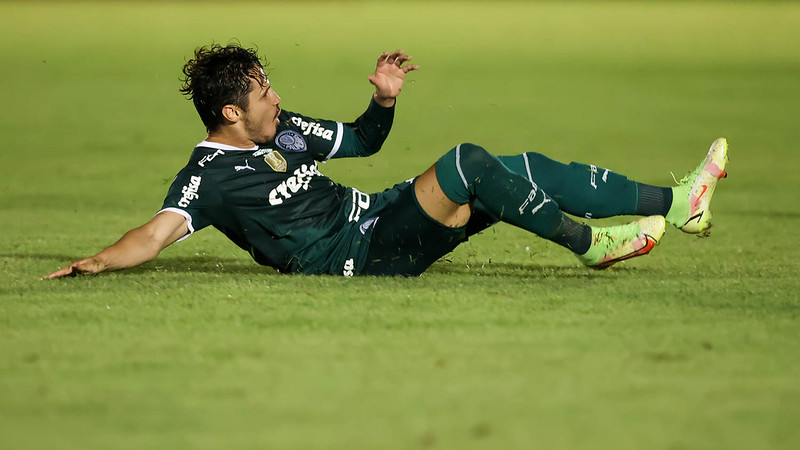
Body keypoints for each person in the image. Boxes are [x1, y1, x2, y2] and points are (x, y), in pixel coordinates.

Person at [45, 44, 728, 279]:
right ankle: (589, 246)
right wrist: (101, 259)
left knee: (521, 165)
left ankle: (678, 204)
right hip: (360, 258)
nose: (276, 98)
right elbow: (156, 233)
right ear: (230, 113)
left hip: (379, 219)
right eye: (262, 92)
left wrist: (384, 101)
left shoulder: (280, 132)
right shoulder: (206, 179)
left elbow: (363, 141)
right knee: (467, 161)